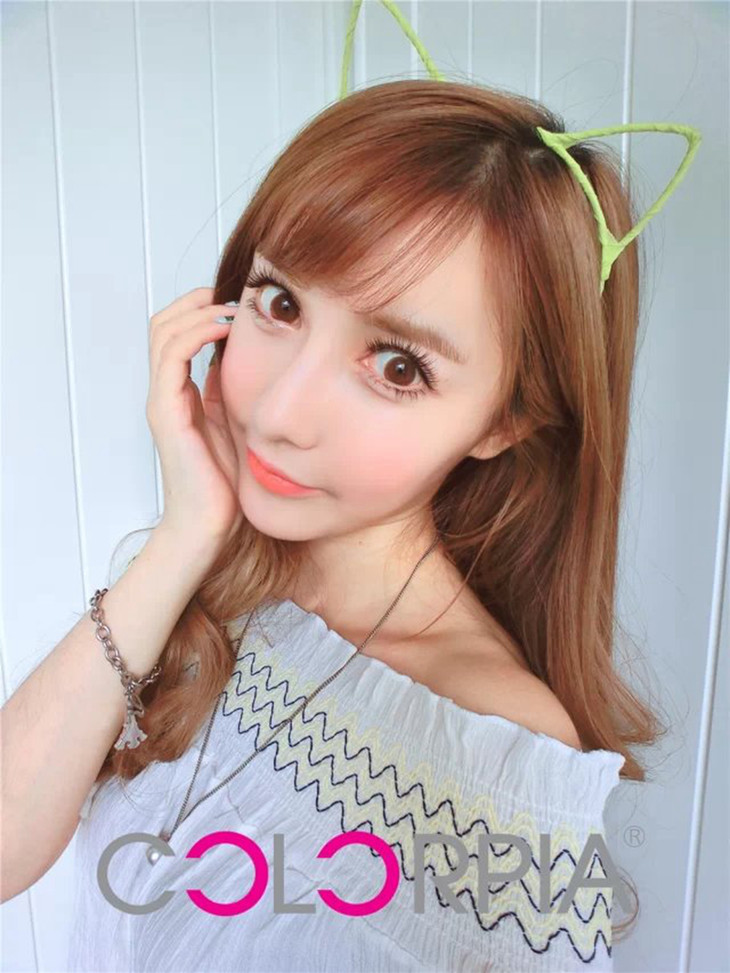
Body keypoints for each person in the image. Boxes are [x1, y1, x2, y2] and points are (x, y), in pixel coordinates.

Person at [5, 77, 676, 971]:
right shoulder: (226, 585)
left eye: (397, 366)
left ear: (504, 420)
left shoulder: (493, 756)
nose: (281, 412)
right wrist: (185, 535)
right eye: (281, 304)